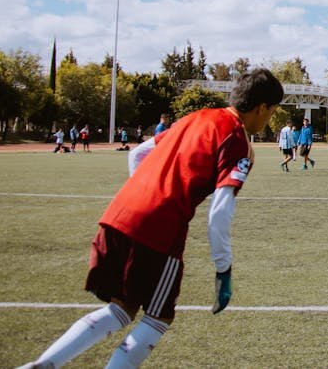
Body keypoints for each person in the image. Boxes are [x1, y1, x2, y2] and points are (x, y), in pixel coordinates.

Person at [20, 69, 282, 369]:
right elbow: (219, 212)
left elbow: (137, 154)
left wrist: (145, 194)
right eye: (272, 112)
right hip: (158, 228)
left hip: (118, 215)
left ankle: (42, 365)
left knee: (122, 308)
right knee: (159, 316)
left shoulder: (194, 117)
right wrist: (223, 270)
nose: (269, 119)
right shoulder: (236, 139)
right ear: (262, 107)